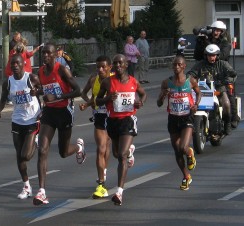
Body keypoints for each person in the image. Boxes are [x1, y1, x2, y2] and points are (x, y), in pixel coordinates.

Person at [33, 43, 86, 206]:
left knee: (63, 152)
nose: (45, 56)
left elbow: (78, 91)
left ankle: (78, 148)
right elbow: (46, 89)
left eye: (49, 53)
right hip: (49, 113)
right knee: (42, 150)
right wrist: (39, 92)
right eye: (44, 53)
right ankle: (42, 192)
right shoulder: (41, 71)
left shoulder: (62, 70)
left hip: (64, 112)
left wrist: (57, 96)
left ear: (56, 54)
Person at [79, 55, 136, 199]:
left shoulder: (115, 79)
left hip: (113, 117)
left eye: (103, 67)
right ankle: (101, 183)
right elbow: (88, 95)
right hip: (99, 115)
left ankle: (128, 151)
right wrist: (88, 103)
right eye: (98, 67)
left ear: (109, 67)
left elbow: (128, 95)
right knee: (101, 148)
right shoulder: (94, 79)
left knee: (115, 152)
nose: (100, 69)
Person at [96, 54, 146, 206]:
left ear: (126, 65)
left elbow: (143, 94)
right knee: (118, 154)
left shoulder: (133, 81)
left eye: (120, 63)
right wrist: (107, 99)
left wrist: (140, 103)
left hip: (128, 120)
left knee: (122, 155)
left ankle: (119, 192)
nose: (118, 65)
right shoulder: (107, 82)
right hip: (112, 121)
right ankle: (129, 152)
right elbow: (98, 100)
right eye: (115, 63)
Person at [0, 54, 42, 199]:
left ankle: (35, 140)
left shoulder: (30, 78)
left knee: (25, 155)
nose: (14, 65)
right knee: (19, 156)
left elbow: (43, 91)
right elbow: (3, 98)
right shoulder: (8, 82)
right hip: (17, 120)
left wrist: (39, 98)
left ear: (23, 64)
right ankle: (26, 186)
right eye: (12, 63)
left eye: (17, 63)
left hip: (32, 119)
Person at [157, 56, 201, 191]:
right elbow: (159, 104)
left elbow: (199, 93)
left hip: (187, 117)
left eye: (179, 64)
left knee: (183, 147)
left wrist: (196, 105)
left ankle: (189, 153)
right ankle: (186, 176)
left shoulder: (190, 81)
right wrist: (163, 95)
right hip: (173, 118)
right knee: (177, 150)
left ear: (184, 66)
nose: (176, 67)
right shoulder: (166, 83)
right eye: (174, 64)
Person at [187, 44, 237, 135]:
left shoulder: (223, 64)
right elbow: (191, 73)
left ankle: (227, 123)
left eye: (213, 55)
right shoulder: (200, 65)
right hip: (204, 90)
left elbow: (233, 74)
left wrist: (227, 80)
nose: (211, 57)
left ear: (217, 55)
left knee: (226, 104)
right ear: (206, 56)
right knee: (191, 104)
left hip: (219, 90)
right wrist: (189, 78)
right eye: (209, 55)